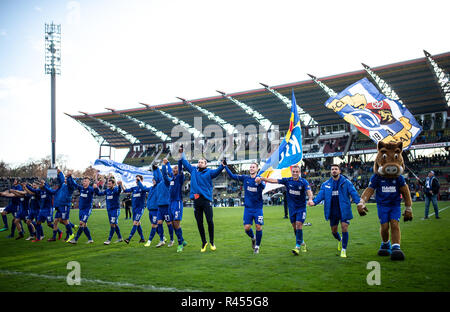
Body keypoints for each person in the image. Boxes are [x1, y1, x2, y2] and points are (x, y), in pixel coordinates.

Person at [179, 145, 225, 252]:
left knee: (209, 221)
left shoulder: (209, 172)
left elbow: (217, 172)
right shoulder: (193, 170)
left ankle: (212, 242)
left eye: (202, 162)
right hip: (196, 201)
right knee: (199, 223)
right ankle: (204, 242)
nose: (199, 163)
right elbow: (185, 163)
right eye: (199, 162)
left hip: (206, 200)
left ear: (206, 164)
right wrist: (182, 153)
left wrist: (222, 166)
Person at [309, 164, 360, 258]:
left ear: (339, 171)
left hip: (344, 210)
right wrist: (314, 202)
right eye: (332, 169)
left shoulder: (346, 182)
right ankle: (340, 240)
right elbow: (321, 195)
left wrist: (359, 203)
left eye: (336, 169)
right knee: (334, 231)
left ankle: (344, 250)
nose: (334, 171)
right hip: (332, 211)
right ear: (330, 171)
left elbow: (353, 193)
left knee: (344, 227)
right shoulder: (326, 184)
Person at [261, 164, 313, 255]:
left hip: (301, 208)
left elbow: (309, 191)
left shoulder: (303, 182)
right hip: (292, 209)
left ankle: (297, 246)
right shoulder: (287, 180)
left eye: (297, 172)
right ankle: (302, 242)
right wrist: (263, 179)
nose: (295, 173)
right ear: (291, 172)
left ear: (299, 172)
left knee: (299, 225)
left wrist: (310, 199)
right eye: (294, 172)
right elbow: (274, 181)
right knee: (295, 227)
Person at [225, 161, 265, 254]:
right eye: (250, 167)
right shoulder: (245, 178)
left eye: (253, 167)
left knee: (258, 227)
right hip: (248, 208)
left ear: (257, 169)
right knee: (247, 228)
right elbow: (232, 176)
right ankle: (253, 238)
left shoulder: (259, 179)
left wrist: (259, 182)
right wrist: (225, 166)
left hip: (258, 208)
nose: (251, 168)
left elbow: (263, 186)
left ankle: (257, 247)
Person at [162, 158, 188, 252]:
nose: (175, 170)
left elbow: (179, 168)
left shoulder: (180, 178)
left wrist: (179, 159)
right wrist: (166, 164)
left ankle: (180, 244)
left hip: (177, 202)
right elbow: (167, 172)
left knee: (176, 223)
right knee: (173, 225)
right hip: (170, 203)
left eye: (176, 168)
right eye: (174, 169)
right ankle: (182, 240)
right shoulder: (172, 179)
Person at [94, 178, 123, 244]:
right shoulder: (107, 190)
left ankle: (109, 240)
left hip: (115, 210)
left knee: (112, 224)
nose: (108, 185)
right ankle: (120, 238)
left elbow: (119, 191)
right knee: (114, 224)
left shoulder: (116, 189)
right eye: (108, 184)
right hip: (109, 210)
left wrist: (120, 185)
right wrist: (96, 188)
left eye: (110, 184)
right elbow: (99, 194)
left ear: (113, 184)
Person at [67, 176, 95, 244]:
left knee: (81, 223)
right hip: (81, 209)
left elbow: (97, 192)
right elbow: (74, 184)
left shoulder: (91, 189)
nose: (84, 182)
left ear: (89, 182)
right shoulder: (81, 188)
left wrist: (96, 187)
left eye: (86, 181)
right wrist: (70, 177)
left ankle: (75, 239)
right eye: (84, 181)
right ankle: (90, 239)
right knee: (84, 225)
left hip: (87, 209)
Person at [121, 175, 147, 244]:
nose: (136, 181)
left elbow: (145, 190)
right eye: (136, 180)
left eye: (138, 180)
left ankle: (129, 239)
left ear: (141, 180)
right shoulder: (134, 188)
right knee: (137, 223)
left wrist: (139, 183)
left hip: (140, 209)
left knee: (135, 223)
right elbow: (125, 191)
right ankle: (142, 239)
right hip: (134, 209)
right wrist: (121, 184)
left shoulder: (143, 188)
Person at [153, 163, 174, 247]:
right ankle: (162, 240)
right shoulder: (159, 183)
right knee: (159, 223)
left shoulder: (167, 181)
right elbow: (157, 176)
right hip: (160, 207)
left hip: (166, 206)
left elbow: (163, 175)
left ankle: (172, 240)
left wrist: (163, 166)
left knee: (169, 224)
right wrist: (155, 169)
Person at [138, 176, 163, 247]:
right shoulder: (151, 188)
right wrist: (139, 182)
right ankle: (163, 237)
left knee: (154, 226)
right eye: (153, 180)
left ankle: (149, 241)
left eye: (155, 179)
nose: (153, 181)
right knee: (156, 226)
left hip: (156, 210)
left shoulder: (159, 187)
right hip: (150, 210)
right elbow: (143, 188)